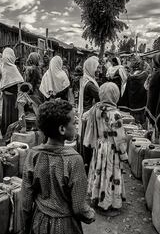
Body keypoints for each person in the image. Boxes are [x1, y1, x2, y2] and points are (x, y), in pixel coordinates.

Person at [21, 99, 95, 234]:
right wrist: (90, 215)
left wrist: (26, 225)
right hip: (66, 225)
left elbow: (26, 199)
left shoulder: (33, 155)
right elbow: (79, 207)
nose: (76, 125)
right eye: (74, 122)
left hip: (39, 221)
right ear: (62, 129)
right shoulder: (74, 160)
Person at [84, 82, 127, 216]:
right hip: (112, 149)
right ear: (115, 95)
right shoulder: (115, 114)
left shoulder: (97, 109)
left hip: (100, 146)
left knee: (99, 171)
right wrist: (124, 154)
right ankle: (107, 204)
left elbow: (85, 118)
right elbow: (119, 138)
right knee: (109, 175)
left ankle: (96, 198)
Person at [77, 56, 100, 171]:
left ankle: (85, 162)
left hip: (85, 113)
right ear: (91, 68)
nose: (98, 70)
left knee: (86, 139)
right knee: (89, 139)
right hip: (89, 115)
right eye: (96, 68)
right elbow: (101, 96)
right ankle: (88, 164)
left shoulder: (86, 79)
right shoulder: (90, 84)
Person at [0, 48, 24, 135]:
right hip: (13, 95)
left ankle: (6, 130)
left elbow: (0, 80)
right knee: (13, 113)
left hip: (6, 95)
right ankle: (12, 131)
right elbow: (20, 80)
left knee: (6, 112)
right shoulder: (13, 67)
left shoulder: (2, 66)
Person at [120, 56, 148, 127]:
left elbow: (127, 90)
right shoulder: (144, 75)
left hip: (132, 106)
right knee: (141, 126)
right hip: (142, 106)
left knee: (133, 124)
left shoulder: (130, 76)